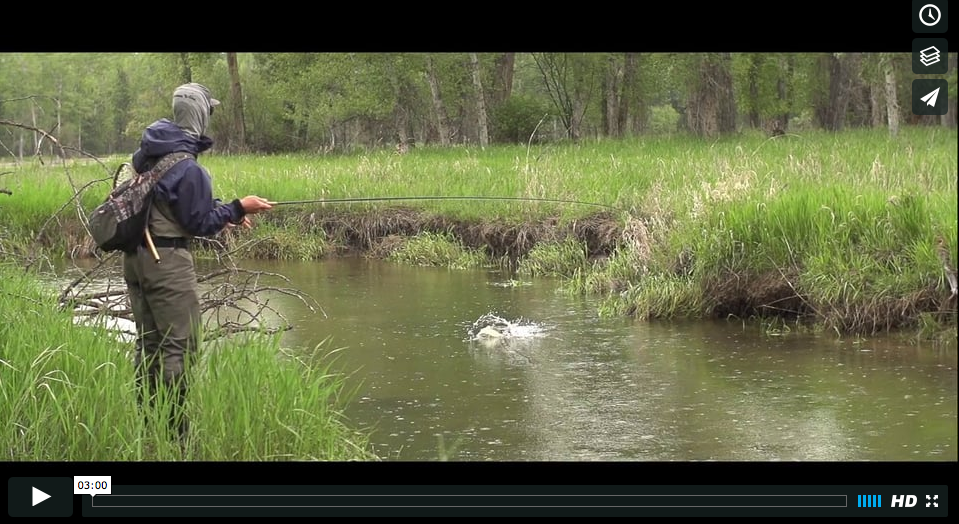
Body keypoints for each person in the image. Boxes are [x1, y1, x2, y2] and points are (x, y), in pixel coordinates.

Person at [123, 82, 273, 442]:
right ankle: (176, 433)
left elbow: (180, 203)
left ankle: (150, 426)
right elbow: (197, 222)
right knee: (180, 347)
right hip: (168, 261)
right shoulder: (188, 166)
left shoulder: (148, 154)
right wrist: (238, 207)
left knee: (149, 345)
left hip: (136, 258)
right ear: (200, 113)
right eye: (210, 111)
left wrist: (227, 213)